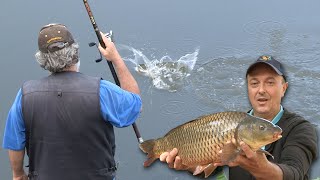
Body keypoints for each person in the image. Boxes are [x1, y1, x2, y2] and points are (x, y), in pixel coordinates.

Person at [2, 23, 142, 180]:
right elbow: (134, 107)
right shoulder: (101, 90)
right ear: (75, 51)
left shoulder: (25, 95)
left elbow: (15, 142)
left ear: (41, 59)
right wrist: (115, 57)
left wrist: (18, 174)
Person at [159, 55, 318, 179]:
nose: (261, 90)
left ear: (284, 88)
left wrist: (260, 166)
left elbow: (294, 174)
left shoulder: (301, 129)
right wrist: (188, 163)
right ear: (248, 88)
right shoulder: (232, 124)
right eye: (254, 83)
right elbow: (212, 166)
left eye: (270, 83)